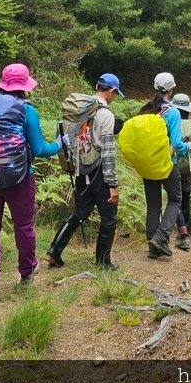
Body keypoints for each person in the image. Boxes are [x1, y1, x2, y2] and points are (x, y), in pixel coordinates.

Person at [0, 63, 60, 306]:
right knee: (23, 226)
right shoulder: (26, 109)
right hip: (19, 178)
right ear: (24, 86)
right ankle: (27, 271)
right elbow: (40, 149)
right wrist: (61, 143)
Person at [44, 73, 125, 271]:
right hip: (98, 170)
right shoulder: (105, 115)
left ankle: (54, 252)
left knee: (80, 212)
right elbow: (107, 151)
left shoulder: (79, 109)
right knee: (109, 216)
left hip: (80, 168)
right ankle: (103, 262)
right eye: (115, 94)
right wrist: (112, 184)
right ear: (112, 91)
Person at [141, 72, 189, 259]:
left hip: (147, 163)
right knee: (175, 200)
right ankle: (161, 238)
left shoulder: (146, 109)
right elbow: (177, 144)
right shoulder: (172, 112)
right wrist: (188, 147)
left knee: (153, 205)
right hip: (167, 163)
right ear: (171, 89)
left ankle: (153, 246)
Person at [170, 93, 191, 251]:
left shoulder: (171, 121)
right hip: (189, 166)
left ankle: (182, 235)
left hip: (173, 165)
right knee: (185, 199)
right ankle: (183, 233)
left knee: (174, 199)